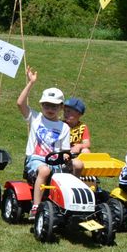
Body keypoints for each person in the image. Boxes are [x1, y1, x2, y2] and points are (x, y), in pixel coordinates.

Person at [16, 67, 81, 218]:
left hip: (55, 160)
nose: (50, 109)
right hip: (36, 160)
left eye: (54, 106)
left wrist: (68, 157)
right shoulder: (36, 118)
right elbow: (20, 103)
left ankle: (73, 199)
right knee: (44, 170)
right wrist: (31, 83)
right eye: (47, 105)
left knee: (78, 164)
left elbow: (64, 151)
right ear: (41, 105)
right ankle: (36, 206)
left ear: (61, 107)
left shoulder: (63, 127)